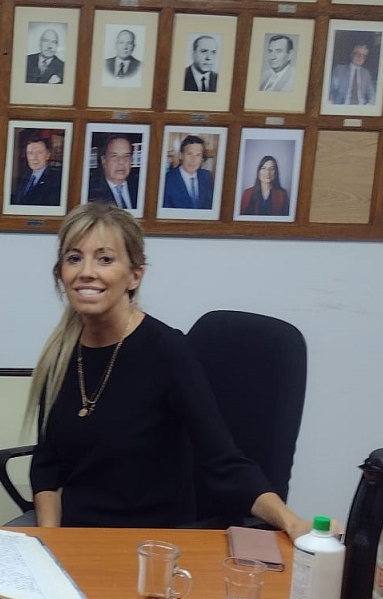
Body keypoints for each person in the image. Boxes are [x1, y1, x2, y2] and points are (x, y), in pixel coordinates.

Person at [23, 201, 312, 538]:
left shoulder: (167, 351)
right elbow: (47, 466)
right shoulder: (60, 354)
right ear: (61, 273)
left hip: (150, 543)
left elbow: (224, 461)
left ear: (135, 275)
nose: (87, 272)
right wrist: (50, 538)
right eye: (74, 258)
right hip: (76, 538)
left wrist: (292, 523)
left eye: (105, 259)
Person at [86, 135, 139, 210]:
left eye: (126, 156)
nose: (121, 162)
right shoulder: (89, 192)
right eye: (114, 156)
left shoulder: (140, 188)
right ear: (104, 160)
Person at [161, 135, 213, 209]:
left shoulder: (206, 177)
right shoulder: (166, 180)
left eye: (198, 155)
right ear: (181, 156)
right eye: (189, 154)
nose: (193, 159)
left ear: (202, 159)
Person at [11, 131, 62, 207]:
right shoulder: (24, 177)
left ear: (48, 155)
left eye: (39, 153)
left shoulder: (56, 179)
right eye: (30, 153)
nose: (34, 158)